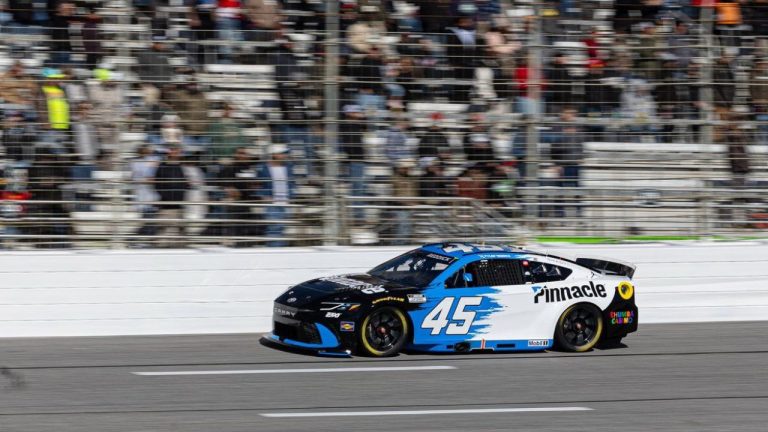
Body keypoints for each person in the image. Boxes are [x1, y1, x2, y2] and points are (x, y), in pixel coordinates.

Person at [255, 144, 293, 247]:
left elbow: (291, 182)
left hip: (285, 201)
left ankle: (277, 247)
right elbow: (257, 183)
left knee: (281, 227)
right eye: (283, 153)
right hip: (272, 202)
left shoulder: (288, 166)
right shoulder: (263, 167)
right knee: (274, 227)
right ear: (274, 154)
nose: (285, 156)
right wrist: (263, 196)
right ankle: (275, 249)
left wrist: (291, 195)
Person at [153, 146, 190, 247]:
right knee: (163, 227)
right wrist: (165, 196)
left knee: (179, 227)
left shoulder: (182, 166)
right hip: (166, 204)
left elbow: (186, 183)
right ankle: (161, 246)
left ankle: (180, 246)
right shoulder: (162, 166)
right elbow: (157, 184)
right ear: (168, 152)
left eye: (176, 150)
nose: (174, 152)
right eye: (172, 150)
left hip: (179, 203)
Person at [130, 144, 160, 243]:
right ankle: (138, 239)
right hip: (143, 193)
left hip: (151, 193)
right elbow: (136, 177)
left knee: (151, 218)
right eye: (144, 150)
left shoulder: (154, 159)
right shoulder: (135, 162)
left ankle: (142, 238)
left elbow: (155, 174)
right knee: (148, 218)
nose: (147, 151)